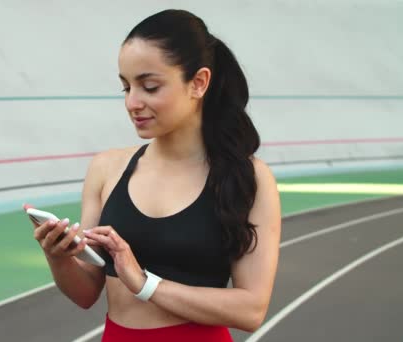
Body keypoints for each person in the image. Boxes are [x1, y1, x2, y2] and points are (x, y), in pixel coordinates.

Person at [31, 9, 281, 341]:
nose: (133, 102)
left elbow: (251, 310)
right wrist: (58, 256)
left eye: (149, 86)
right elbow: (86, 292)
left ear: (199, 83)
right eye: (126, 87)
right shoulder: (107, 168)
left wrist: (145, 283)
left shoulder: (248, 177)